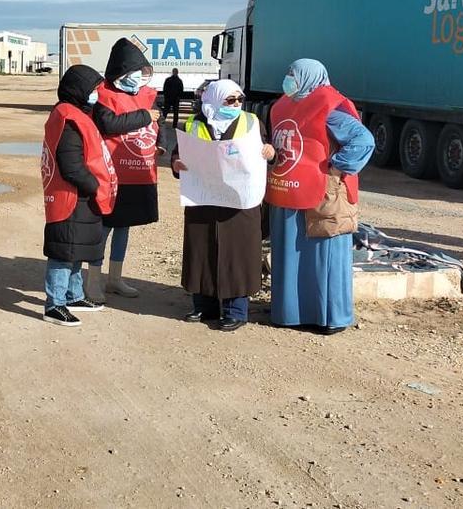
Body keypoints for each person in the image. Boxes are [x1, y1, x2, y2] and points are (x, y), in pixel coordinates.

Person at [266, 58, 373, 335]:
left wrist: (336, 166)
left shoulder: (329, 107)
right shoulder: (284, 105)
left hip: (322, 194)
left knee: (324, 254)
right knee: (290, 253)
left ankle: (329, 317)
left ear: (309, 77)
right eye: (288, 72)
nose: (289, 78)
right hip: (289, 189)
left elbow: (363, 141)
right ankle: (290, 312)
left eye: (294, 74)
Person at [171, 80, 275, 331]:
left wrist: (271, 152)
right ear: (215, 100)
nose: (237, 104)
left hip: (239, 203)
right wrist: (176, 163)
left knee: (237, 254)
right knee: (202, 250)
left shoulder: (251, 121)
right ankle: (203, 306)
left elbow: (268, 150)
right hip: (204, 200)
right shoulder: (193, 123)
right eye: (230, 100)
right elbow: (178, 153)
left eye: (240, 99)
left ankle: (235, 310)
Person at [41, 65, 117, 326]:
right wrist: (94, 186)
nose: (97, 94)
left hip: (82, 197)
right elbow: (71, 166)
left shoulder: (80, 113)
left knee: (77, 249)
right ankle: (55, 304)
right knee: (63, 251)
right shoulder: (67, 119)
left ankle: (74, 296)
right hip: (70, 196)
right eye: (93, 90)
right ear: (79, 90)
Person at [87, 38, 160, 301]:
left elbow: (152, 128)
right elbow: (108, 125)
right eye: (133, 72)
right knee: (105, 227)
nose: (138, 77)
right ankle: (92, 279)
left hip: (138, 173)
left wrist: (156, 145)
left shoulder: (146, 96)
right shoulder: (103, 95)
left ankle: (115, 278)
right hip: (112, 175)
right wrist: (144, 117)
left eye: (142, 72)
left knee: (124, 228)